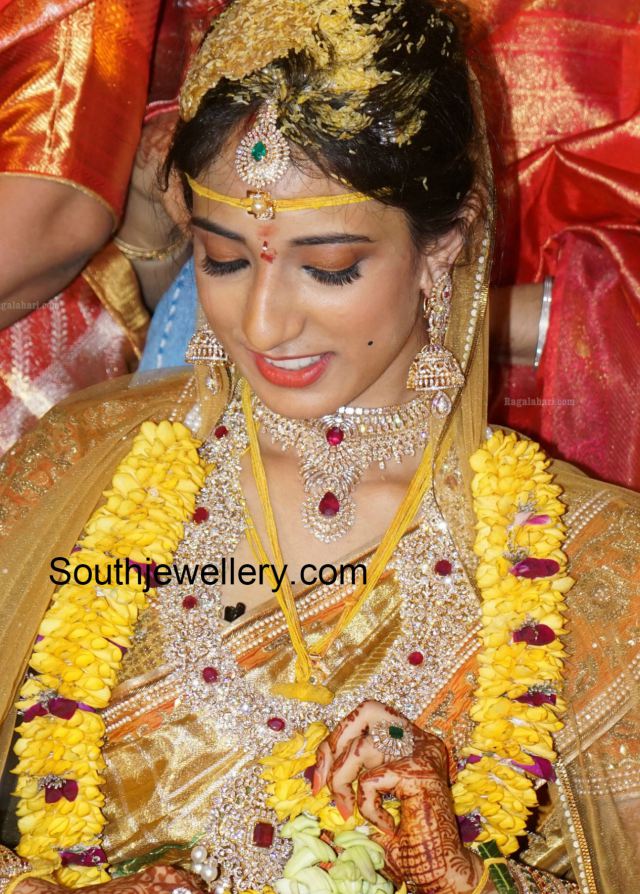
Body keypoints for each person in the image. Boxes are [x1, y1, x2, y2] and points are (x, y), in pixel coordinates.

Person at [0, 2, 638, 894]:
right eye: (224, 260)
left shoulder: (593, 561)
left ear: (441, 244)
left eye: (328, 267)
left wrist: (463, 878)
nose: (264, 321)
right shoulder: (78, 468)